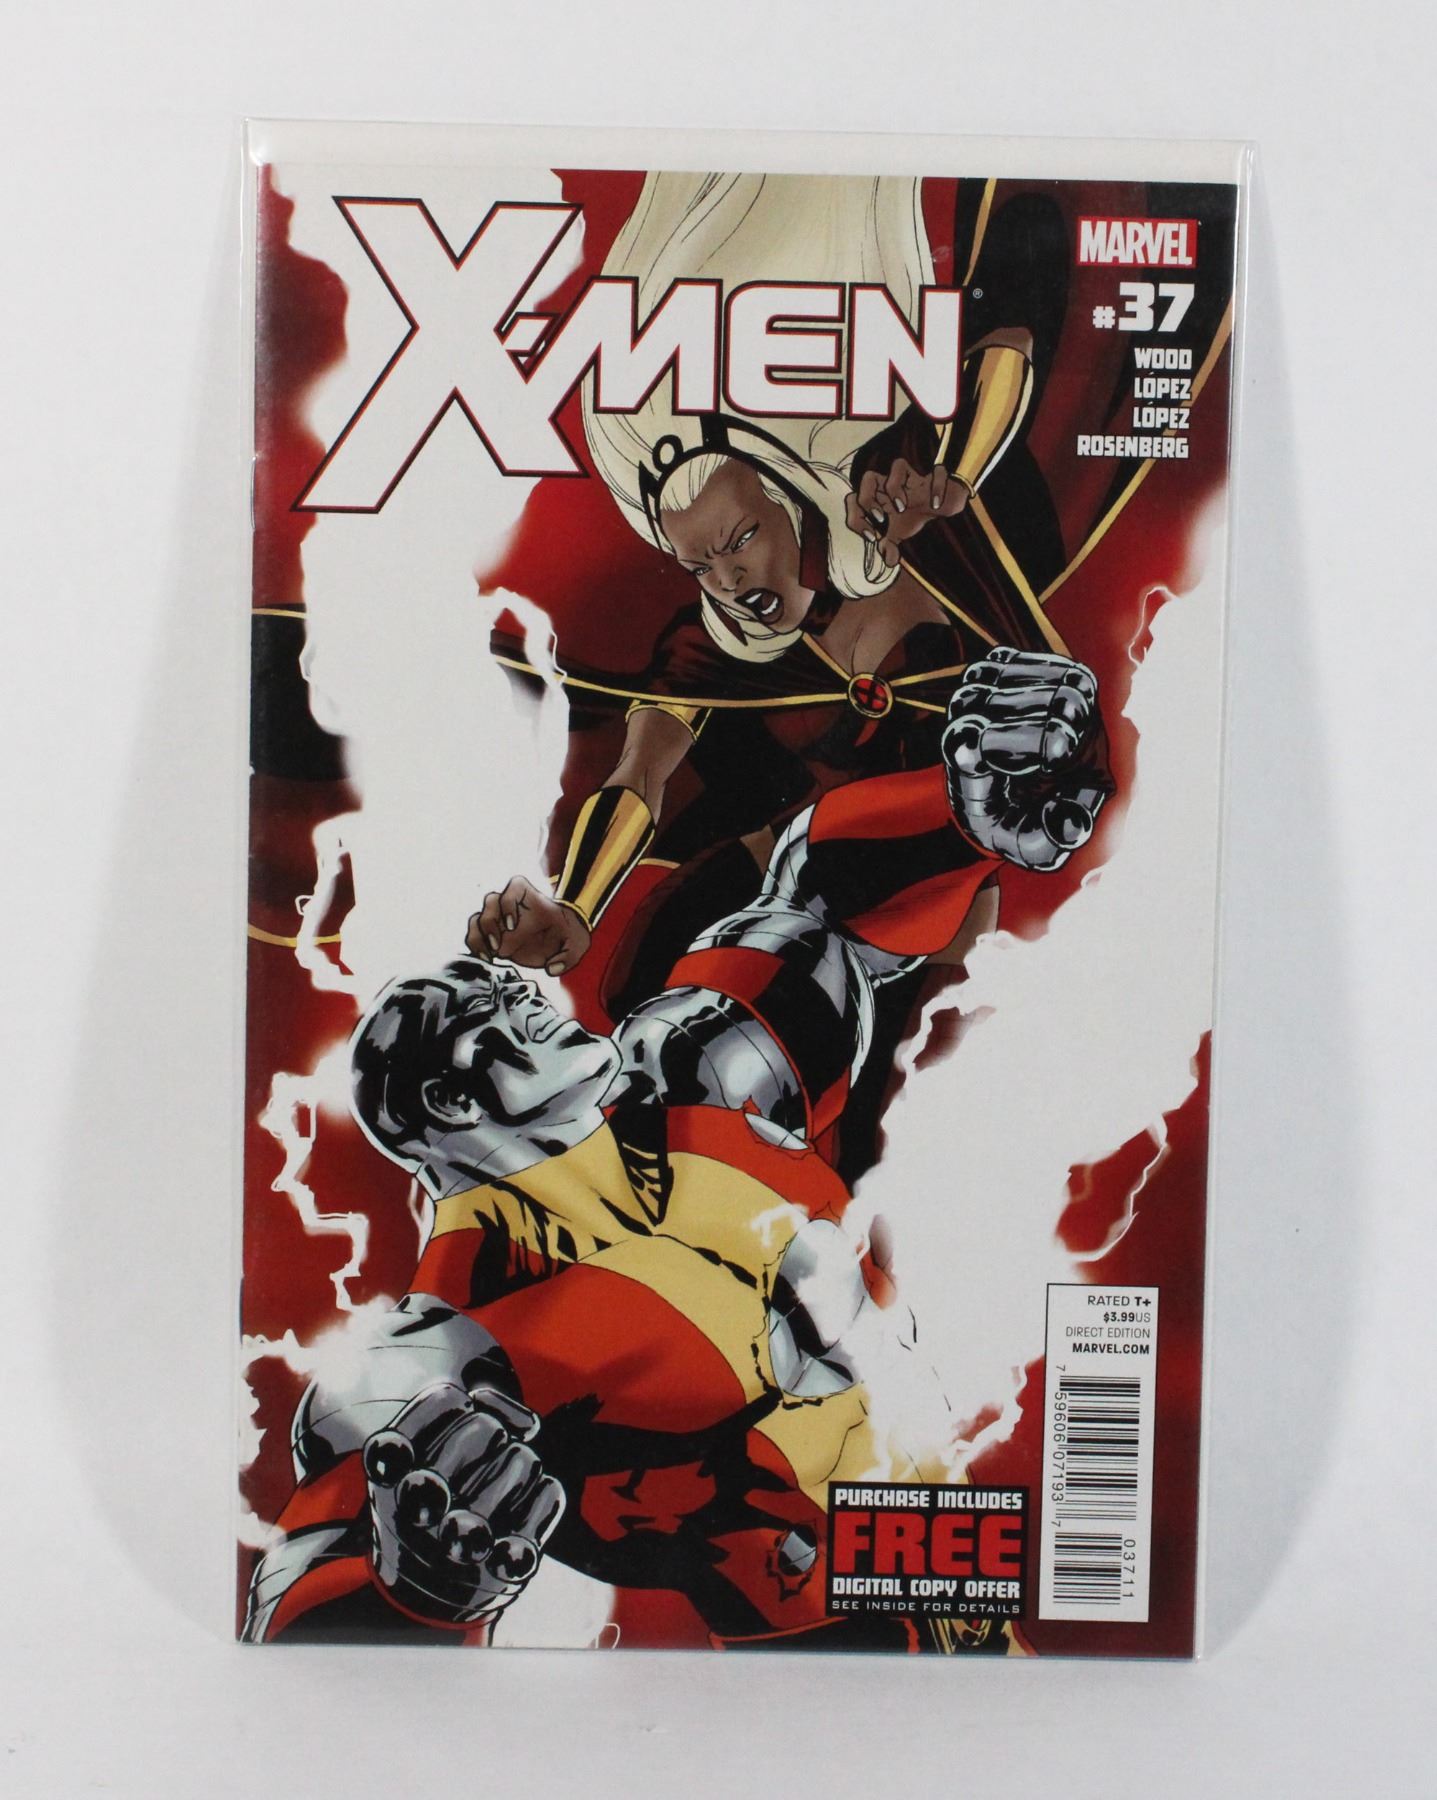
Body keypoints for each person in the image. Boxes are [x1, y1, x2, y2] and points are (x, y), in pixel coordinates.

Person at [243, 648, 1109, 1650]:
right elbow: (331, 1506)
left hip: (962, 1567)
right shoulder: (462, 1323)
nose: (528, 997)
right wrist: (411, 1575)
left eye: (512, 989)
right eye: (489, 1012)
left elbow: (813, 900)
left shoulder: (694, 1071)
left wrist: (961, 811)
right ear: (447, 1101)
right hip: (825, 1646)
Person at [481, 174, 1072, 1174]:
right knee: (645, 980)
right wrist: (576, 904)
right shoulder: (708, 646)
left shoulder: (898, 519)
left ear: (790, 496)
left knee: (886, 1125)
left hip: (931, 911)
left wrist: (957, 480)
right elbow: (638, 778)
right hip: (790, 903)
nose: (727, 578)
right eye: (698, 563)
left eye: (739, 539)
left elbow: (1007, 337)